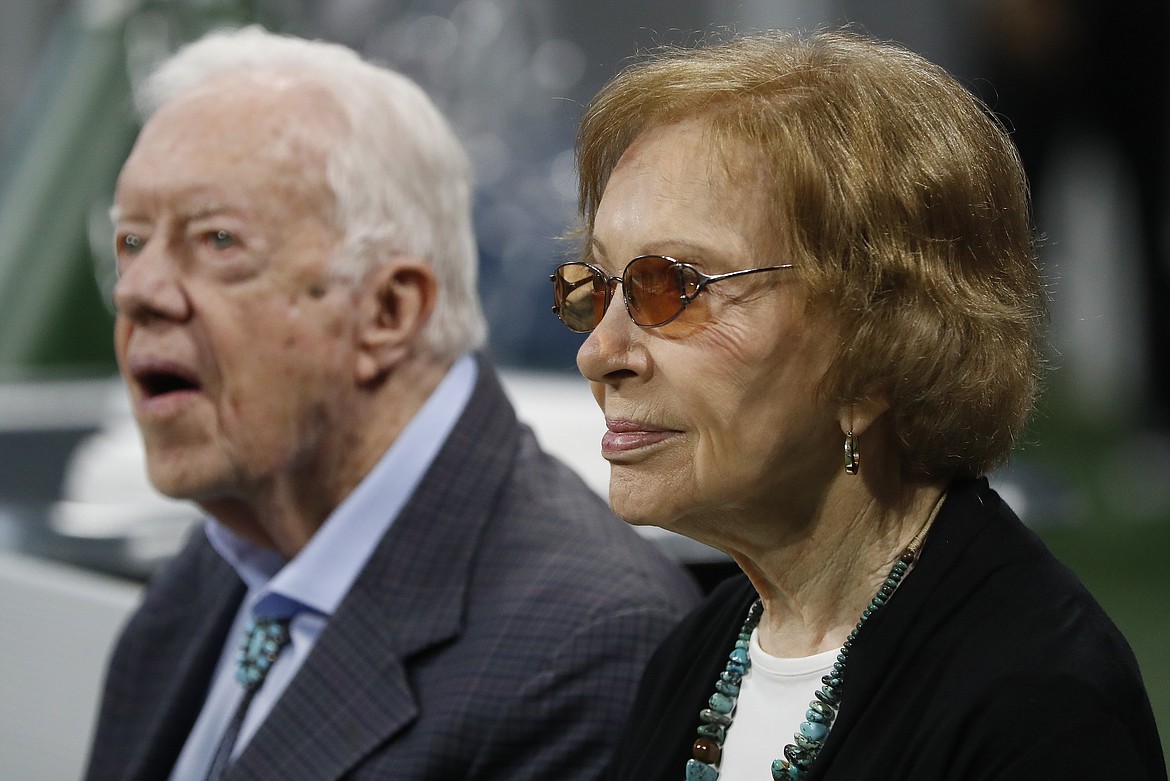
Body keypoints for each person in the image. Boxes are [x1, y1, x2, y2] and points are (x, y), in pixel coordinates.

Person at [84, 25, 699, 781]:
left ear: (389, 310)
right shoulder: (220, 565)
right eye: (131, 243)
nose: (139, 292)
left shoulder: (587, 649)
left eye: (216, 241)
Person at [549, 30, 1166, 781]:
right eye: (598, 286)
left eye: (671, 287)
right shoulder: (696, 654)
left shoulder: (1035, 708)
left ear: (878, 349)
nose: (598, 353)